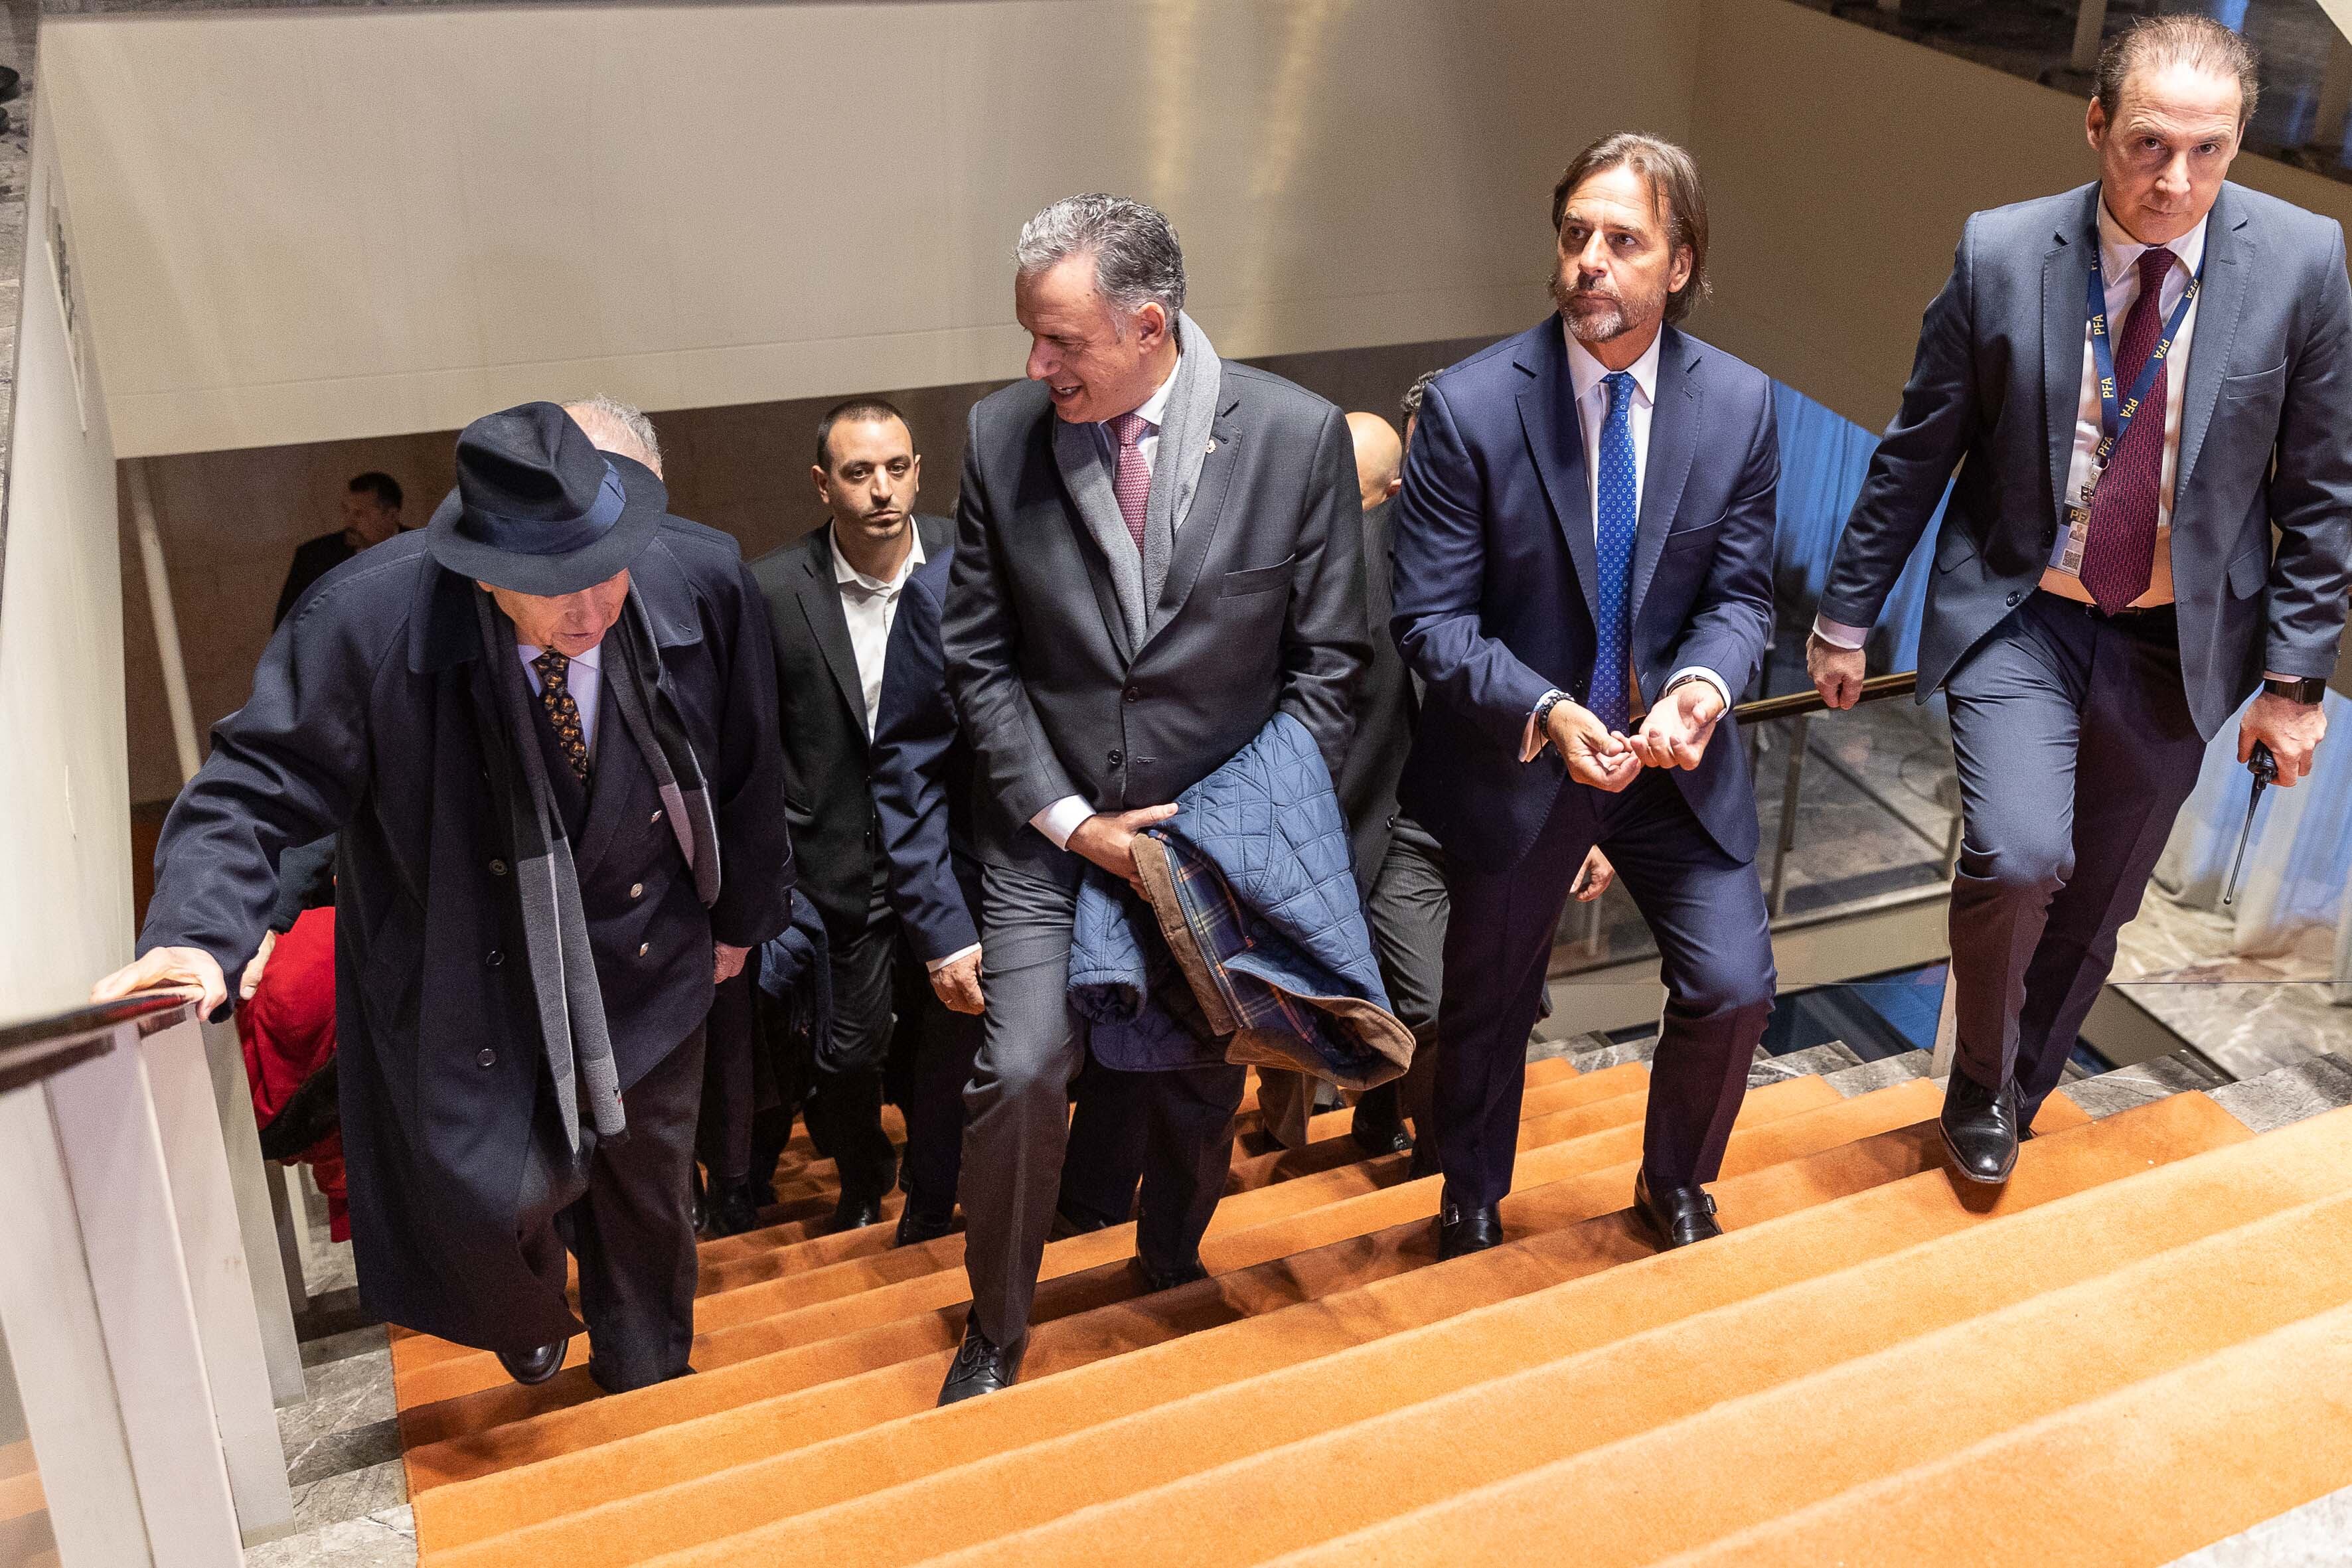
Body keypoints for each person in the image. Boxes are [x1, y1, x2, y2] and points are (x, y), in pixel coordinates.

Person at [96, 401, 794, 1394]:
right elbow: (252, 785)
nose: (590, 609)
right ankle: (526, 1309)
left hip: (650, 948)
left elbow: (747, 758)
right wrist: (198, 934)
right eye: (554, 588)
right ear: (480, 566)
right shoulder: (361, 616)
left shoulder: (702, 571)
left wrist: (739, 924)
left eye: (607, 568)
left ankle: (647, 1381)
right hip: (480, 960)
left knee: (645, 1194)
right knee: (496, 1194)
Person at [1808, 17, 2352, 1184]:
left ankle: (2018, 1088)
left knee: (2097, 905)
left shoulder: (2301, 262)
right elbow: (1916, 452)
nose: (2175, 180)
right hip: (2025, 610)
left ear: (2239, 145)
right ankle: (1974, 1074)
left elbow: (2319, 490)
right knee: (2016, 858)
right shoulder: (2001, 252)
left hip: (2175, 642)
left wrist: (2293, 683)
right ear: (2094, 122)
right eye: (2149, 144)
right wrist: (1843, 615)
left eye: (2209, 151)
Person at [939, 193, 1367, 1401]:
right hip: (1049, 832)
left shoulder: (1294, 436)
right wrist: (1072, 822)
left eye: (1060, 340)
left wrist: (1212, 842)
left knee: (1197, 1074)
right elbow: (975, 655)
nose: (1035, 364)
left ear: (1147, 322)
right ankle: (996, 1328)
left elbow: (1332, 667)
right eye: (1029, 335)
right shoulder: (996, 437)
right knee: (1020, 1073)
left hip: (1209, 838)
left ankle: (1172, 1261)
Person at [1394, 132, 1779, 1261]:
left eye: (1622, 241)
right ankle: (1467, 1193)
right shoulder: (1469, 409)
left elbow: (1742, 593)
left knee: (1733, 985)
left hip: (1673, 772)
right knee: (1487, 1004)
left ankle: (1674, 1181)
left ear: (1680, 262)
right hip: (1523, 758)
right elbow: (1429, 620)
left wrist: (1701, 689)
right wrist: (1549, 711)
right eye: (1574, 236)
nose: (1588, 262)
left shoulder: (1741, 405)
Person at [1339, 408, 1618, 1168]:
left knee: (1504, 1005)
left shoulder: (1536, 560)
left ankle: (1419, 1144)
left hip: (1499, 814)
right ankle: (1449, 1178)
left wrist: (1584, 826)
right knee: (1433, 1008)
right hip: (1395, 821)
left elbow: (1572, 701)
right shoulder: (1355, 556)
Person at [870, 548, 1150, 1245]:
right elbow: (909, 776)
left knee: (1129, 1048)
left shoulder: (1138, 567)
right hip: (985, 884)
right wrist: (942, 929)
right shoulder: (938, 596)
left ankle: (1093, 1212)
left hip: (1119, 868)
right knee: (968, 1067)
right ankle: (933, 1201)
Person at [748, 399, 954, 1233]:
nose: (881, 490)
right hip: (837, 859)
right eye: (859, 472)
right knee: (849, 1051)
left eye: (896, 468)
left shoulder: (967, 558)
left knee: (950, 1035)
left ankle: (941, 1182)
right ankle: (866, 1173)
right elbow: (754, 738)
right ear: (823, 483)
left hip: (946, 849)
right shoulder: (771, 588)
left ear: (918, 471)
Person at [274, 471, 405, 627]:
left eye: (359, 514)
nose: (349, 522)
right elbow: (287, 629)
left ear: (391, 516)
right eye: (346, 510)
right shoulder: (313, 556)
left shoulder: (424, 549)